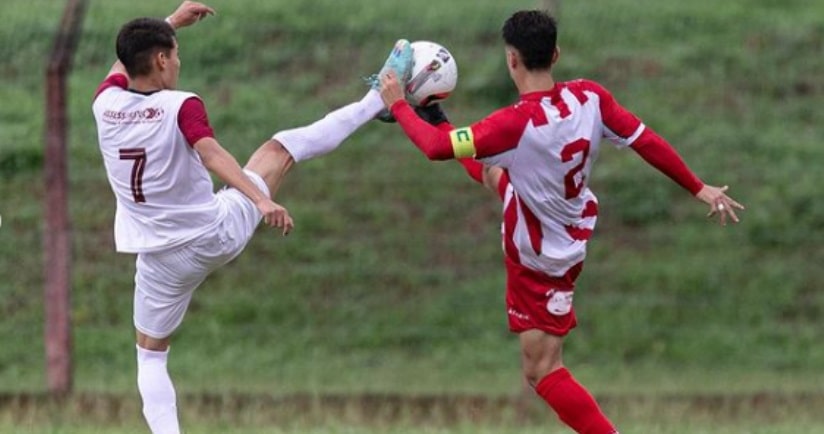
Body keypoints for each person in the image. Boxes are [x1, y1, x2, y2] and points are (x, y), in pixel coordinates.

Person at [380, 10, 744, 434]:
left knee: (542, 370)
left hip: (541, 257)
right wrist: (698, 187)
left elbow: (437, 150)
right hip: (560, 219)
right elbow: (646, 140)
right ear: (555, 53)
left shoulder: (513, 124)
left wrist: (399, 105)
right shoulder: (589, 98)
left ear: (511, 60)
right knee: (497, 173)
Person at [91, 2, 413, 432]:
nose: (179, 62)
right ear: (162, 60)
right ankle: (376, 100)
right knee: (281, 148)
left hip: (155, 256)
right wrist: (259, 201)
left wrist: (169, 22)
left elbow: (123, 61)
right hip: (212, 232)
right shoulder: (181, 105)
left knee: (150, 356)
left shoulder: (104, 103)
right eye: (176, 52)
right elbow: (210, 153)